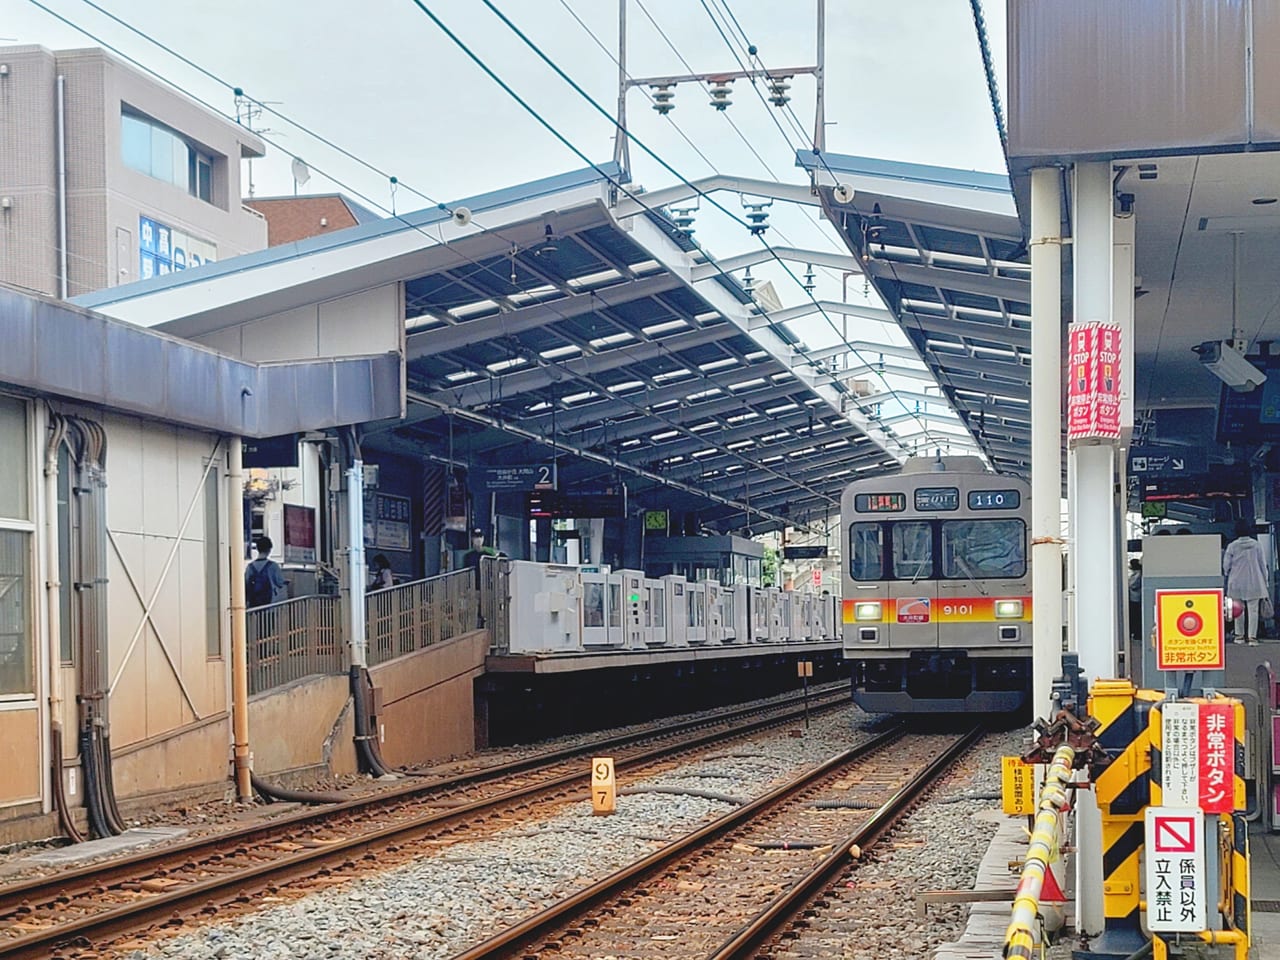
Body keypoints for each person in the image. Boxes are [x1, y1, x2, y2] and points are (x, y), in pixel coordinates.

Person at [1223, 519, 1269, 646]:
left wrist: (1227, 574)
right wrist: (1265, 581)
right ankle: (1252, 637)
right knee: (1253, 610)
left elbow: (1226, 566)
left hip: (1236, 582)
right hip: (1255, 581)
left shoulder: (1232, 546)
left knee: (1238, 610)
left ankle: (1239, 636)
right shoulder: (1256, 545)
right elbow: (1262, 564)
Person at [245, 536, 287, 608]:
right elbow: (280, 583)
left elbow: (246, 583)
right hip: (269, 603)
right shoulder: (273, 566)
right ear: (269, 550)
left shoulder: (250, 567)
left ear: (257, 549)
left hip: (253, 604)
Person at [1127, 558, 1142, 645]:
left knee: (1135, 616)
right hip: (1135, 598)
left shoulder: (1137, 574)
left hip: (1135, 598)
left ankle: (1136, 633)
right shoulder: (1136, 573)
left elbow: (1133, 585)